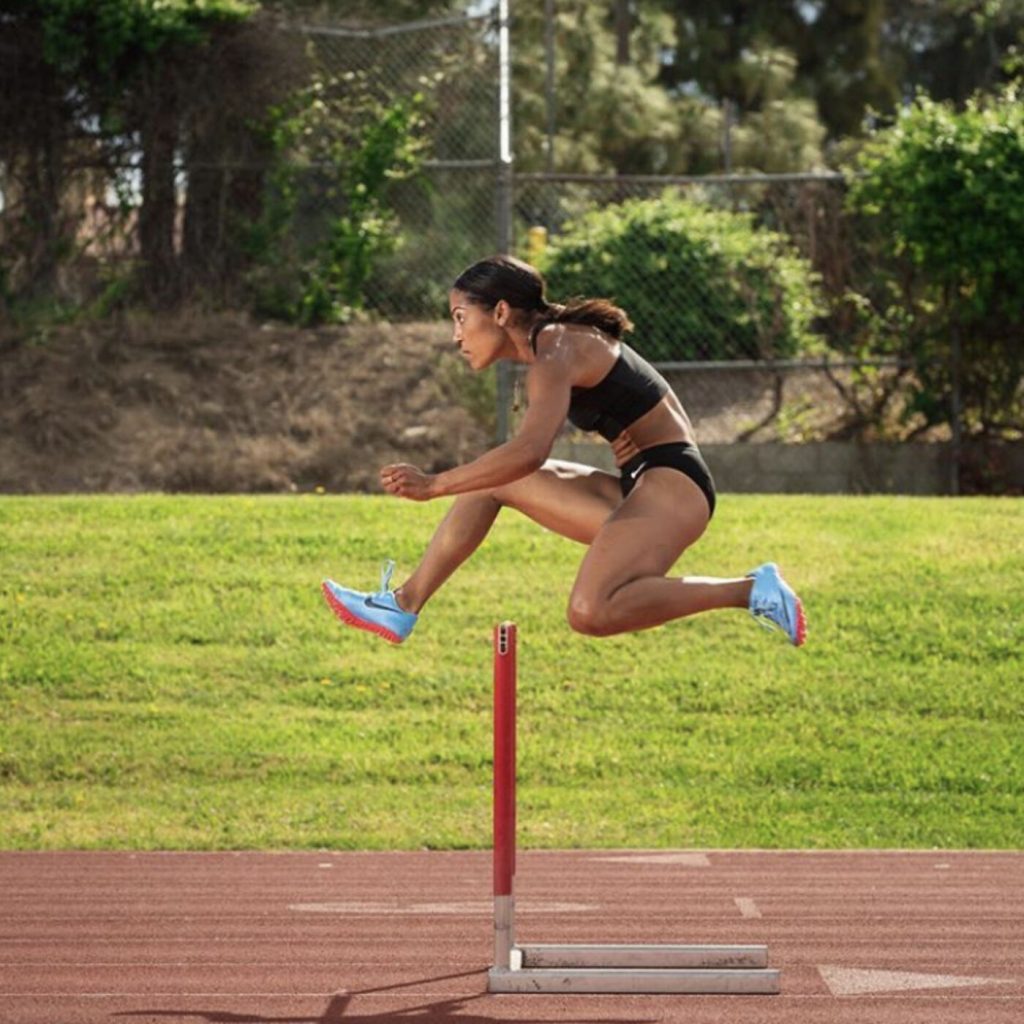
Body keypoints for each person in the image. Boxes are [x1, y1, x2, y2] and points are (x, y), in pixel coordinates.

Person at [322, 255, 806, 647]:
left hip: (672, 485)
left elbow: (531, 451)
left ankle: (750, 590)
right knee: (494, 479)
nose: (456, 336)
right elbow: (514, 462)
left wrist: (434, 485)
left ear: (501, 312)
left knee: (590, 611)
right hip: (639, 484)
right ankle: (401, 606)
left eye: (459, 318)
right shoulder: (548, 349)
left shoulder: (556, 346)